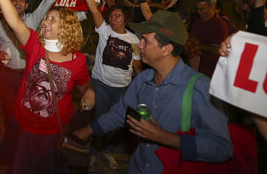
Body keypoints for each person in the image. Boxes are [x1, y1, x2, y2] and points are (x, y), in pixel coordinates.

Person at [74, 10, 233, 174]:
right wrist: (86, 132)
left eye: (145, 41)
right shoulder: (143, 80)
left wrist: (164, 137)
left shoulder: (200, 88)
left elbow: (221, 148)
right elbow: (119, 114)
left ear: (167, 49)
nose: (139, 45)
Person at [0, 0, 95, 174]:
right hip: (25, 128)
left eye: (52, 19)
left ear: (66, 28)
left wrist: (90, 92)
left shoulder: (78, 61)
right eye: (46, 18)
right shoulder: (34, 46)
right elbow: (14, 22)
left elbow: (84, 86)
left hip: (53, 132)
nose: (45, 21)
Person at [77, 0, 142, 161]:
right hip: (102, 84)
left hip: (122, 88)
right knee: (101, 118)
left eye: (117, 16)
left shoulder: (133, 40)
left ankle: (106, 148)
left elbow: (137, 66)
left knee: (117, 121)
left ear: (126, 19)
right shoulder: (104, 31)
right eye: (111, 16)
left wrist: (139, 86)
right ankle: (96, 151)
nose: (112, 19)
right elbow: (95, 10)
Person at [189, 0, 228, 77]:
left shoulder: (219, 25)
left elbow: (216, 49)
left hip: (210, 71)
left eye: (202, 9)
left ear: (213, 7)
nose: (199, 12)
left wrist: (195, 45)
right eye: (197, 9)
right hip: (195, 68)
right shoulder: (197, 22)